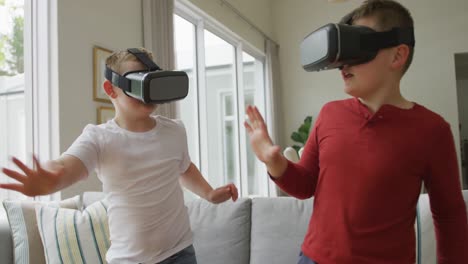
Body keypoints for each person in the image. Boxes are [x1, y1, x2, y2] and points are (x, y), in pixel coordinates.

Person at [244, 0, 468, 263]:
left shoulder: (432, 131)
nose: (342, 64)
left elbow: (450, 217)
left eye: (357, 48)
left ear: (398, 55)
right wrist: (275, 162)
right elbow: (305, 184)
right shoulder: (329, 114)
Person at [0, 47, 238, 264]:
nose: (146, 92)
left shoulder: (174, 130)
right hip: (129, 259)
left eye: (151, 80)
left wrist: (210, 193)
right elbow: (68, 164)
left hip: (180, 252)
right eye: (138, 82)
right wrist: (51, 179)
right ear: (110, 89)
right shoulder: (99, 138)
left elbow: (184, 168)